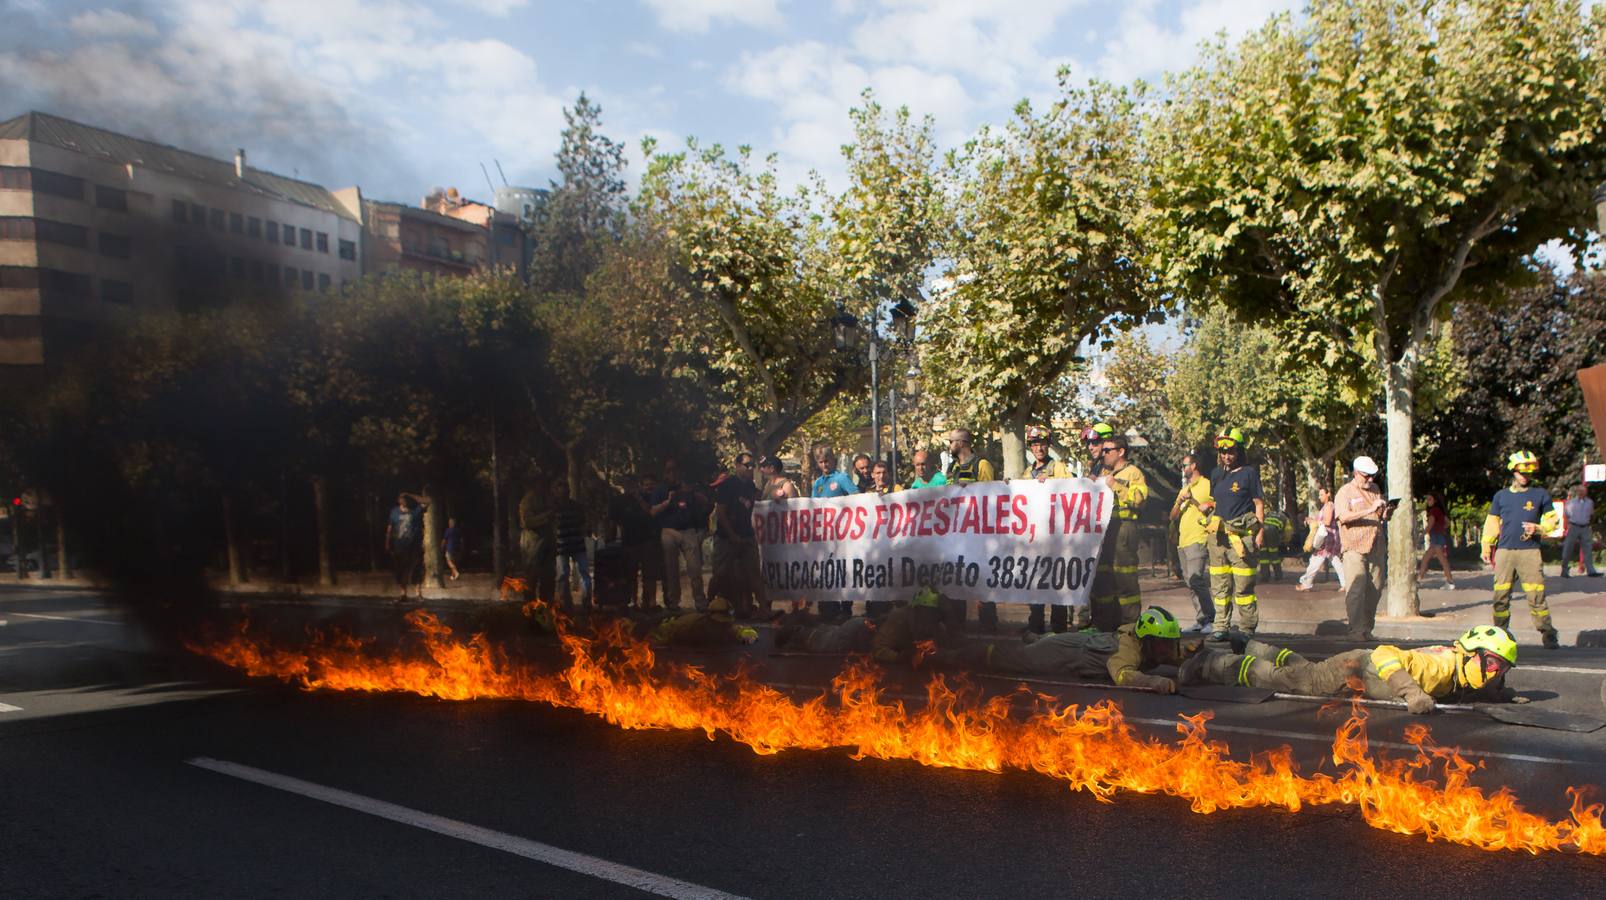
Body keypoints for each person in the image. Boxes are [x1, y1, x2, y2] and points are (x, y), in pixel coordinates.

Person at [1180, 625, 1522, 715]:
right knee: (1300, 682)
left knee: (1304, 669)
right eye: (1492, 664)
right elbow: (1387, 655)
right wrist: (1412, 691)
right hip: (1357, 669)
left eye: (1502, 669)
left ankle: (1251, 645)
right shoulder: (1441, 666)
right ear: (1473, 653)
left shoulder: (1465, 668)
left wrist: (1503, 693)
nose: (1494, 672)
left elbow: (1478, 686)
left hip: (1363, 670)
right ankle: (1212, 664)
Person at [934, 606, 1193, 695]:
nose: (1166, 649)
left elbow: (1173, 656)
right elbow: (1123, 675)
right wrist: (1158, 682)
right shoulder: (1128, 649)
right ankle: (946, 655)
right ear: (1147, 640)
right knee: (1013, 658)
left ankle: (1033, 638)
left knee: (1041, 643)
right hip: (1061, 653)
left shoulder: (1146, 644)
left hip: (1070, 642)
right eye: (1162, 643)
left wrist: (1192, 655)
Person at [1483, 450, 1562, 649]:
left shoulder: (1540, 494)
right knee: (1501, 596)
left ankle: (1547, 633)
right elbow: (1492, 524)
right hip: (1505, 552)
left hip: (1530, 552)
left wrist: (1539, 528)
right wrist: (1486, 546)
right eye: (1521, 471)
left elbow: (1553, 520)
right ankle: (1500, 633)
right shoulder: (1501, 496)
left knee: (1536, 595)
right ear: (1513, 471)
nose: (1525, 476)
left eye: (1528, 472)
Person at [1202, 428, 1264, 641]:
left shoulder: (1249, 473)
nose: (1226, 456)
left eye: (1231, 451)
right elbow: (1216, 501)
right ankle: (1220, 627)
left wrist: (1259, 533)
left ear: (1239, 452)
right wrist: (1207, 506)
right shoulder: (1217, 474)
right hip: (1218, 538)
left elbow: (1258, 503)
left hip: (1241, 539)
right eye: (1222, 451)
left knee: (1244, 586)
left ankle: (1246, 629)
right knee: (1219, 585)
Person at [1089, 434, 1148, 632]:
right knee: (1102, 578)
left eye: (1107, 450)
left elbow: (1139, 499)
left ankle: (1129, 626)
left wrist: (1115, 486)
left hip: (1124, 528)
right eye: (1102, 450)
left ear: (1121, 451)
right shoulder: (1102, 472)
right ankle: (1104, 624)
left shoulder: (1133, 473)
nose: (1103, 454)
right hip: (1104, 531)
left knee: (1125, 578)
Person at [946, 428, 998, 630]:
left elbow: (990, 495)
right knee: (957, 579)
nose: (950, 445)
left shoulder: (981, 465)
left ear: (962, 443)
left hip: (978, 535)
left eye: (952, 441)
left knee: (982, 578)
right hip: (958, 535)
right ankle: (958, 624)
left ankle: (988, 624)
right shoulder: (952, 467)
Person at [1334, 456, 1391, 641]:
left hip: (1376, 545)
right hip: (1354, 546)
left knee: (1376, 588)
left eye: (1373, 476)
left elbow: (1380, 515)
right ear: (1356, 473)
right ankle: (1355, 630)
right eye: (1366, 476)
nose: (1370, 480)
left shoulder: (1375, 490)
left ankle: (1367, 628)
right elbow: (1343, 517)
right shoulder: (1345, 492)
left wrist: (1386, 511)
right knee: (1356, 589)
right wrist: (1369, 510)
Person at [1026, 425, 1074, 634]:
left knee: (1057, 582)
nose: (1039, 448)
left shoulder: (1059, 467)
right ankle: (1035, 626)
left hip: (1057, 536)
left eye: (1043, 444)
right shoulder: (1027, 472)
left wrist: (1050, 482)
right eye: (1035, 444)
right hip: (1036, 538)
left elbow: (1073, 488)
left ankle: (1059, 628)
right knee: (1036, 582)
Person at [711, 452, 764, 618]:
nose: (750, 468)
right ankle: (710, 604)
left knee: (753, 572)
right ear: (737, 466)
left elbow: (757, 501)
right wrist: (731, 534)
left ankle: (761, 608)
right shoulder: (728, 485)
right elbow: (721, 512)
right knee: (721, 574)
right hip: (726, 537)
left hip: (747, 535)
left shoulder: (750, 486)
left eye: (752, 465)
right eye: (746, 465)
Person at [651, 460, 708, 612]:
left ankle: (700, 602)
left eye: (674, 470)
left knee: (695, 568)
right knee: (671, 569)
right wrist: (667, 502)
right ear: (664, 473)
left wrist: (692, 493)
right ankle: (673, 602)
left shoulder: (688, 487)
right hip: (669, 530)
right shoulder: (660, 489)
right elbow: (652, 511)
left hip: (688, 530)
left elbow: (705, 502)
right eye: (668, 471)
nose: (672, 473)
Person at [811, 444, 859, 620]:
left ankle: (846, 608)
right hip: (824, 536)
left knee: (845, 570)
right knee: (828, 571)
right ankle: (829, 608)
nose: (825, 464)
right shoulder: (818, 483)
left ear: (834, 460)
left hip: (843, 534)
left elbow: (857, 497)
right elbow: (812, 507)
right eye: (821, 462)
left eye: (827, 460)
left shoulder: (842, 478)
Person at [1171, 453, 1215, 632]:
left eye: (1185, 465)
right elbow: (1172, 516)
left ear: (1194, 466)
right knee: (1190, 582)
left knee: (1197, 580)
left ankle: (1211, 619)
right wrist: (1180, 500)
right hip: (1183, 541)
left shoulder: (1206, 485)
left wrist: (1200, 503)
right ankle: (1202, 619)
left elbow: (1216, 505)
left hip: (1198, 538)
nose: (1183, 469)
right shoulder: (1184, 489)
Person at [608, 474, 663, 610]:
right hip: (628, 542)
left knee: (649, 574)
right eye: (626, 484)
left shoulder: (645, 497)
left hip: (646, 540)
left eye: (632, 484)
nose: (629, 486)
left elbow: (649, 512)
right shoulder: (618, 501)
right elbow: (612, 521)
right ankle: (634, 601)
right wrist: (610, 538)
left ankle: (651, 601)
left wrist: (639, 498)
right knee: (630, 574)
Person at [642, 596, 758, 648]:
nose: (723, 627)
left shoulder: (725, 627)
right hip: (658, 628)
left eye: (725, 624)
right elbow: (664, 632)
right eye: (720, 624)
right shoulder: (688, 626)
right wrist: (651, 641)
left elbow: (741, 629)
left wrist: (749, 635)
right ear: (710, 619)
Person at [1296, 486, 1345, 592]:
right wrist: (1312, 520)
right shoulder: (1326, 506)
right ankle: (1345, 583)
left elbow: (1327, 522)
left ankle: (1306, 583)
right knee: (1335, 561)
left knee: (1315, 561)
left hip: (1327, 538)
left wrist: (1314, 522)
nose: (1319, 497)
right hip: (1329, 538)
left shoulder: (1329, 506)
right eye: (1319, 495)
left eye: (1321, 494)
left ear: (1328, 494)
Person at [552, 479, 591, 611]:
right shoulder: (553, 508)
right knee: (563, 574)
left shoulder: (576, 506)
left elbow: (584, 522)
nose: (564, 494)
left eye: (566, 491)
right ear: (556, 492)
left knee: (584, 572)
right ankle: (565, 603)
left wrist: (582, 532)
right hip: (561, 545)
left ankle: (586, 602)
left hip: (577, 544)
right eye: (561, 491)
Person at [518, 476, 556, 604]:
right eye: (541, 483)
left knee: (548, 577)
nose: (544, 485)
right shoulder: (528, 500)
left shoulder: (549, 498)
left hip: (548, 542)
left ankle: (548, 607)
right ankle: (530, 607)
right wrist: (546, 516)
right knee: (531, 578)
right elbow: (527, 521)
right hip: (532, 544)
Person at [385, 492, 428, 600]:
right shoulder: (394, 512)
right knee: (401, 569)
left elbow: (427, 501)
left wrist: (410, 494)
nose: (404, 500)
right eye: (402, 498)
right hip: (399, 545)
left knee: (417, 568)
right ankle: (403, 594)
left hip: (414, 545)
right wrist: (387, 542)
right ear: (398, 500)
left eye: (406, 498)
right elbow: (390, 528)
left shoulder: (415, 511)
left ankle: (418, 593)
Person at [1416, 491, 1456, 588]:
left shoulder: (1433, 511)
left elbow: (1430, 525)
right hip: (1437, 537)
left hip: (1436, 537)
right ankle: (1418, 579)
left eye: (1430, 499)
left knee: (1441, 559)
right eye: (1427, 499)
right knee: (1426, 558)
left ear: (1435, 500)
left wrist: (1422, 535)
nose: (1428, 501)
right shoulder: (1439, 510)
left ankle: (1450, 581)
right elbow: (1447, 522)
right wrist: (1441, 527)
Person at [1562, 484, 1599, 578]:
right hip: (1574, 526)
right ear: (1577, 492)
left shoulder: (1590, 502)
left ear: (1586, 492)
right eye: (1580, 491)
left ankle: (1591, 570)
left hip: (1585, 527)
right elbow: (1567, 514)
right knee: (1568, 548)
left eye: (1584, 491)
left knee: (1587, 549)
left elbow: (1591, 514)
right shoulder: (1571, 502)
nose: (1582, 493)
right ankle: (1564, 570)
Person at [1258, 508, 1290, 582]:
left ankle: (1264, 576)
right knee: (1274, 554)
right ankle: (1278, 576)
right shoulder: (1284, 518)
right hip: (1272, 531)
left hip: (1262, 530)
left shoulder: (1270, 514)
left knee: (1263, 555)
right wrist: (1286, 541)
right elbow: (1288, 531)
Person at [442, 516, 462, 581]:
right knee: (454, 561)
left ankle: (456, 573)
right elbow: (461, 540)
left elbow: (444, 540)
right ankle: (453, 575)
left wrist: (442, 546)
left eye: (450, 522)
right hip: (457, 548)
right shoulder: (458, 530)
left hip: (450, 548)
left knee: (449, 561)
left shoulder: (448, 531)